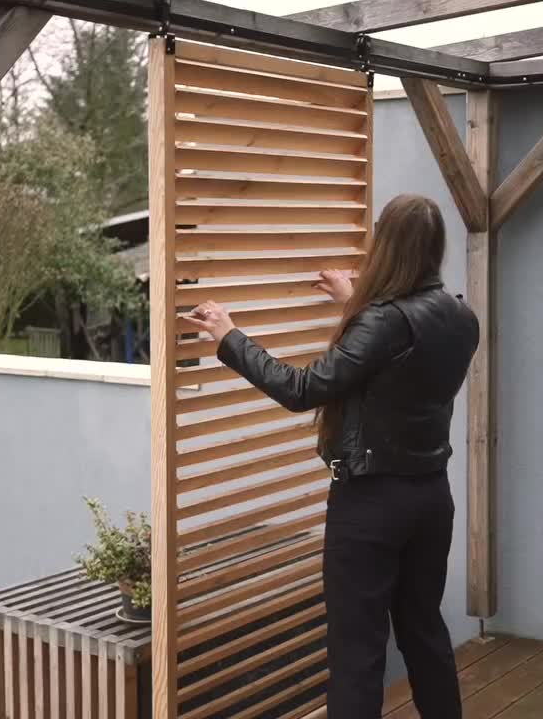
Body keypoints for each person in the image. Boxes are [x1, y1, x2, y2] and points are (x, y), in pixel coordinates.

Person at [185, 193, 479, 719]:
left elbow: (302, 389)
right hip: (432, 498)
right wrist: (354, 303)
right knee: (424, 633)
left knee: (357, 654)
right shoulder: (461, 317)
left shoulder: (383, 321)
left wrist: (230, 337)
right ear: (434, 250)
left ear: (385, 245)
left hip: (371, 506)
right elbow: (395, 358)